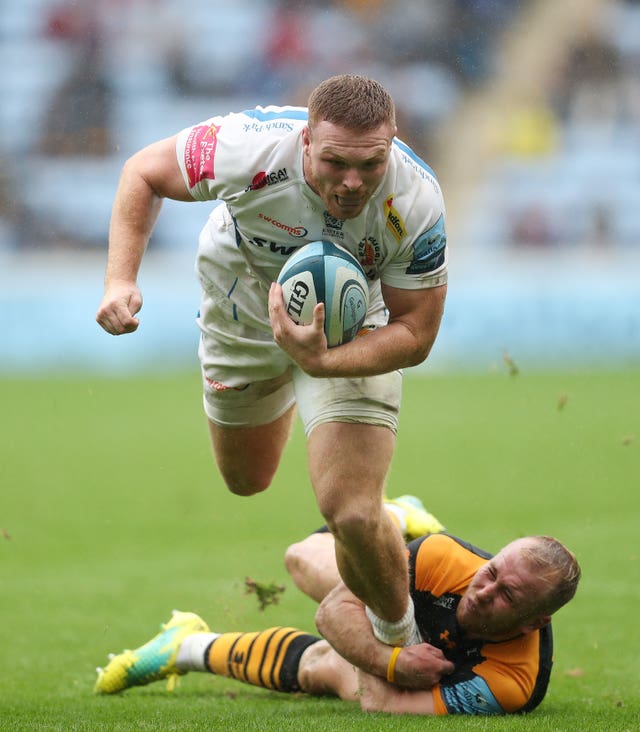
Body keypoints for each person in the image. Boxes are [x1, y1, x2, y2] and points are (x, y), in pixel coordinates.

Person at [95, 74, 448, 647]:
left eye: (371, 165)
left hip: (353, 329)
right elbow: (143, 171)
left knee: (352, 512)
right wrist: (119, 279)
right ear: (306, 142)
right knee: (246, 479)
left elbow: (418, 330)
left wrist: (326, 363)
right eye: (335, 163)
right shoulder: (247, 146)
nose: (353, 183)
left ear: (392, 144)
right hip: (243, 308)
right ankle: (392, 513)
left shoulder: (416, 199)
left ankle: (401, 641)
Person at [94, 503, 581, 716]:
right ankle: (390, 519)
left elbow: (383, 703)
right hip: (405, 590)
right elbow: (330, 613)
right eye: (491, 570)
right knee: (301, 559)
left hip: (433, 659)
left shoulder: (511, 681)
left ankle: (186, 645)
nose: (482, 590)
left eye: (507, 596)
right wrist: (390, 659)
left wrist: (382, 668)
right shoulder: (447, 560)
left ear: (536, 620)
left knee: (327, 669)